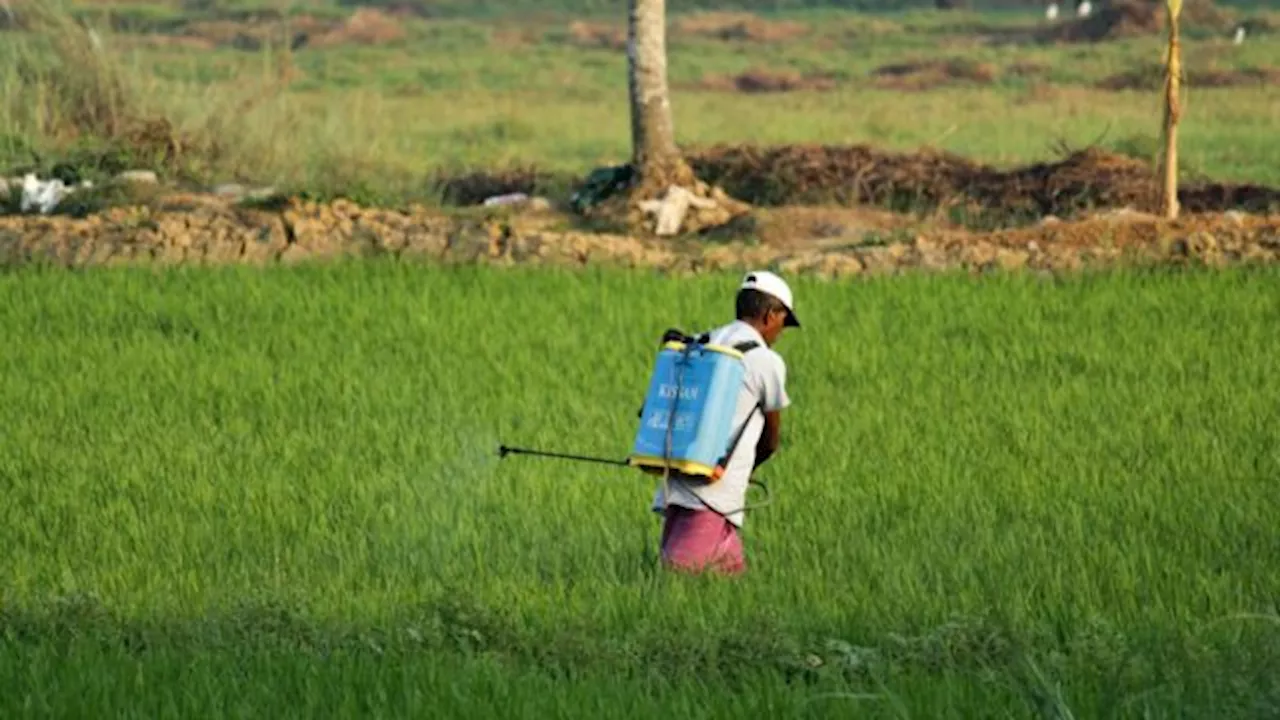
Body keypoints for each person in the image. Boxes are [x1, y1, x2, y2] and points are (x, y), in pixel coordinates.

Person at [651, 270, 799, 576]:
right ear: (771, 315)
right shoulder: (765, 360)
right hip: (714, 492)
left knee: (728, 576)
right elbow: (771, 440)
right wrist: (745, 473)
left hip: (679, 475)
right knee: (679, 576)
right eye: (783, 322)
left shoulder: (704, 341)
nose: (780, 333)